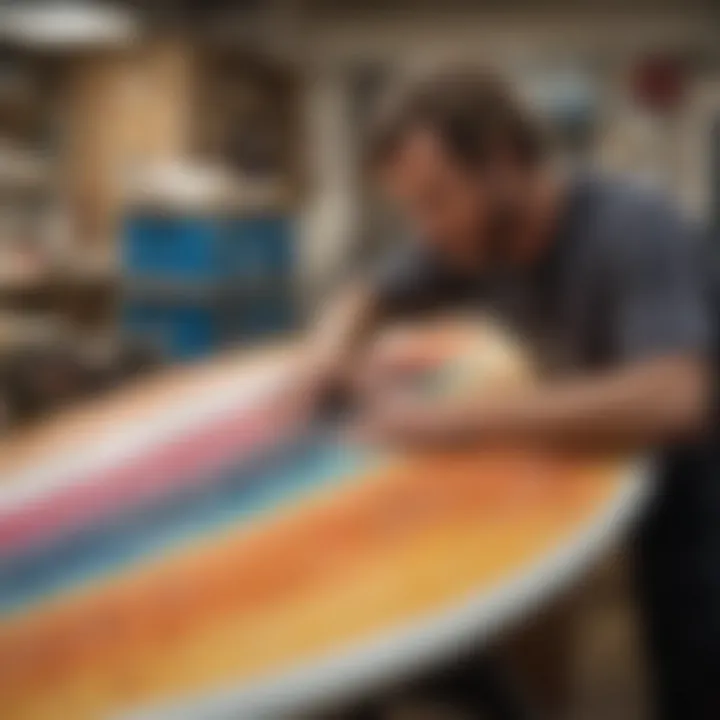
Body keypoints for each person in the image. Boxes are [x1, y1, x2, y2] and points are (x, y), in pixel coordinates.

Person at [302, 66, 718, 719]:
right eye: (413, 206)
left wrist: (456, 421)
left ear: (501, 160)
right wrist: (328, 356)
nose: (427, 228)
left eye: (437, 198)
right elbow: (366, 293)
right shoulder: (469, 238)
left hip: (696, 466)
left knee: (692, 643)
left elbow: (680, 396)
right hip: (618, 448)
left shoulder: (633, 226)